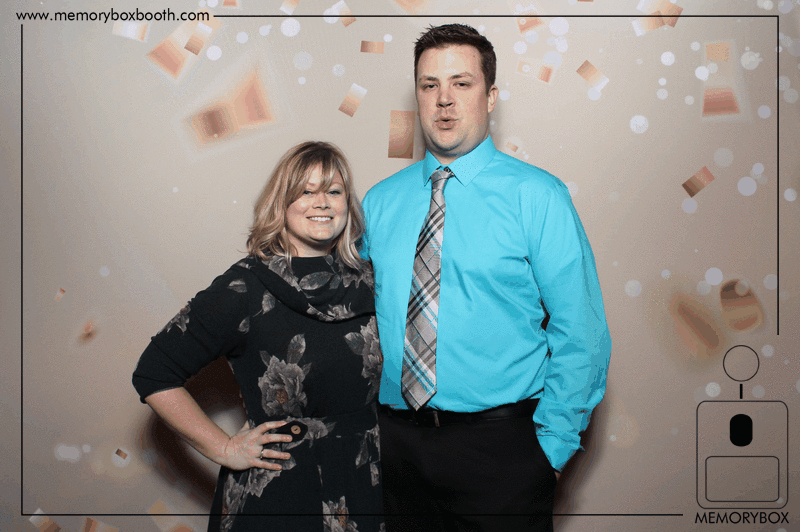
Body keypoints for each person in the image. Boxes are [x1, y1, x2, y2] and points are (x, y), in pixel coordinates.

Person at [360, 24, 612, 532]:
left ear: (490, 96)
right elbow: (355, 323)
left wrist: (549, 452)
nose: (444, 100)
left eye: (462, 83)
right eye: (429, 85)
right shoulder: (379, 202)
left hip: (502, 452)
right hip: (395, 451)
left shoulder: (537, 196)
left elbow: (582, 332)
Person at [133, 141, 385, 532]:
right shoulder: (244, 287)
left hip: (364, 483)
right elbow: (153, 373)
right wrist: (224, 448)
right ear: (280, 204)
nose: (322, 202)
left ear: (347, 205)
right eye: (306, 191)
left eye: (334, 191)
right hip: (281, 492)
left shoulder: (371, 280)